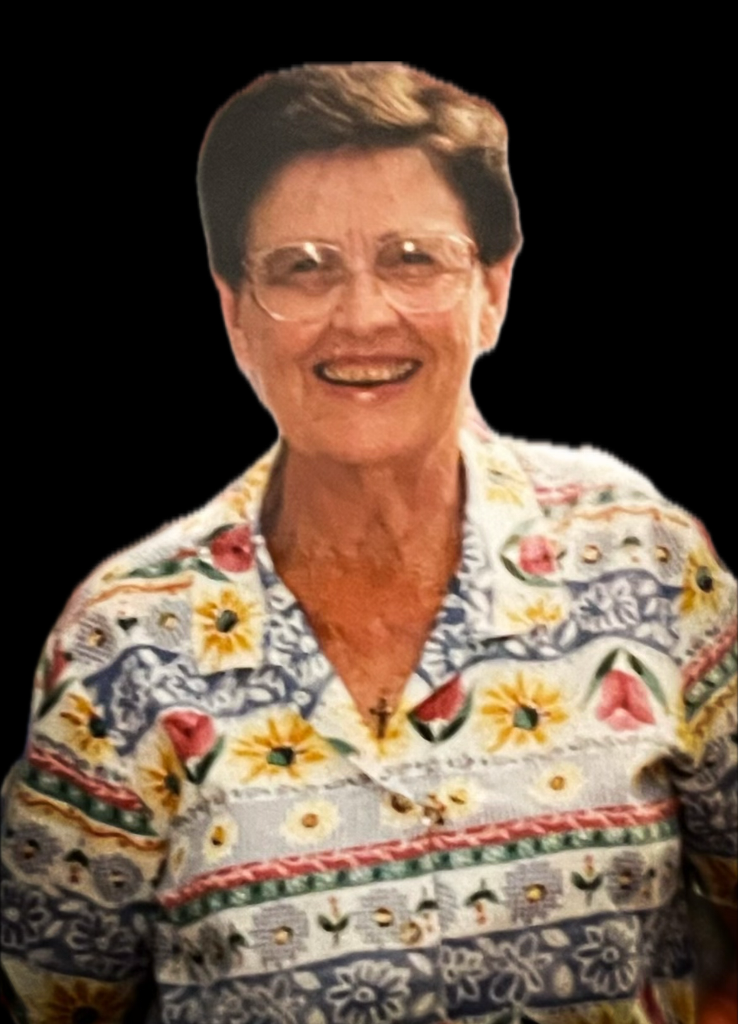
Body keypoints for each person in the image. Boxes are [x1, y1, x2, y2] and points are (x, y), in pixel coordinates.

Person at [2, 62, 735, 1024]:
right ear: (234, 313)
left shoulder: (647, 567)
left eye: (413, 258)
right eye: (302, 268)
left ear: (494, 290)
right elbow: (53, 1003)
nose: (361, 316)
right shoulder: (124, 645)